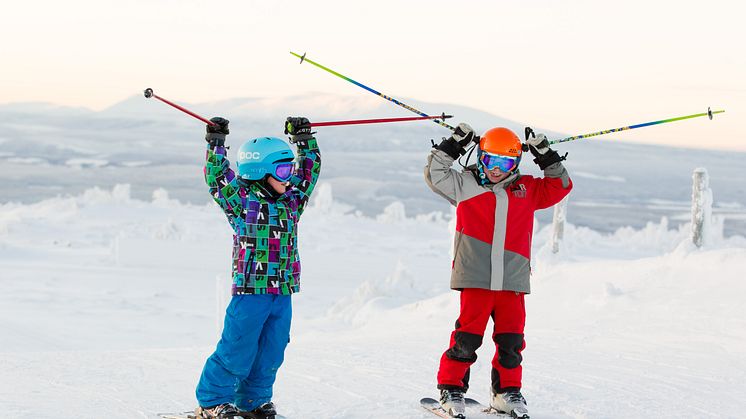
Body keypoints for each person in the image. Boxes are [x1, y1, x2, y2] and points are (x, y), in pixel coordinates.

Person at [424, 123, 572, 419]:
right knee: (467, 338)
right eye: (490, 160)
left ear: (516, 162)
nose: (496, 169)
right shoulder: (465, 184)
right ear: (480, 157)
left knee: (511, 340)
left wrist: (545, 155)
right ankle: (451, 388)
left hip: (512, 279)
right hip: (475, 275)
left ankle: (506, 392)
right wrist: (453, 145)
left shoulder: (527, 189)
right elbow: (435, 173)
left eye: (505, 162)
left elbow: (560, 186)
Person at [194, 116, 321, 419]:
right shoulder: (241, 201)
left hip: (284, 289)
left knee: (272, 350)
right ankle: (212, 400)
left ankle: (253, 400)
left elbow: (309, 172)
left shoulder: (292, 200)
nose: (289, 176)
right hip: (251, 289)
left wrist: (304, 141)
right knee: (238, 347)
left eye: (289, 168)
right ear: (259, 172)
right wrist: (216, 143)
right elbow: (217, 179)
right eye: (281, 169)